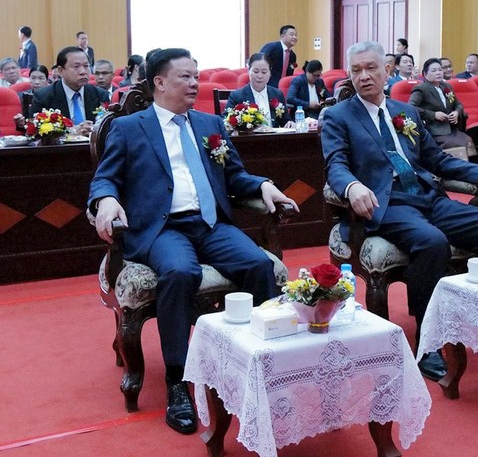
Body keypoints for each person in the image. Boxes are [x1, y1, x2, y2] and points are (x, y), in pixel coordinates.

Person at [88, 48, 298, 435]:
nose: (194, 83)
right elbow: (105, 179)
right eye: (184, 76)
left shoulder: (208, 123)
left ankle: (258, 362)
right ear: (160, 83)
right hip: (161, 228)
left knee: (259, 265)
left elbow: (235, 174)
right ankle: (177, 379)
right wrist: (106, 200)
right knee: (180, 272)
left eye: (196, 76)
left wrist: (264, 185)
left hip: (211, 224)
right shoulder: (130, 128)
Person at [321, 40, 478, 381]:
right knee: (432, 242)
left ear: (387, 70)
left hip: (429, 198)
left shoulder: (406, 113)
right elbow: (335, 165)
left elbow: (438, 160)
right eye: (356, 71)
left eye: (371, 68)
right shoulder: (338, 116)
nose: (364, 77)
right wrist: (352, 186)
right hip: (388, 204)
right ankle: (427, 342)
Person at [27, 47, 110, 136]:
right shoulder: (43, 97)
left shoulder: (100, 95)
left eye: (86, 66)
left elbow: (108, 129)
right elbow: (34, 133)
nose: (83, 72)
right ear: (61, 71)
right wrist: (70, 132)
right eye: (76, 67)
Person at [408, 58, 476, 158]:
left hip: (451, 127)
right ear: (425, 74)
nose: (438, 73)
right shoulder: (421, 89)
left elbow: (458, 104)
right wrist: (433, 115)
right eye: (434, 70)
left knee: (467, 140)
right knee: (453, 144)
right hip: (433, 129)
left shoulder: (446, 86)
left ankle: (469, 170)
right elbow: (410, 107)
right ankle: (451, 170)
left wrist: (456, 112)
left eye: (440, 70)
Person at [226, 52, 288, 126]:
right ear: (249, 71)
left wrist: (290, 123)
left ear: (270, 73)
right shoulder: (237, 96)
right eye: (256, 71)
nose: (260, 76)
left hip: (273, 137)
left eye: (264, 72)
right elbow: (226, 121)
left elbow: (286, 120)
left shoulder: (277, 94)